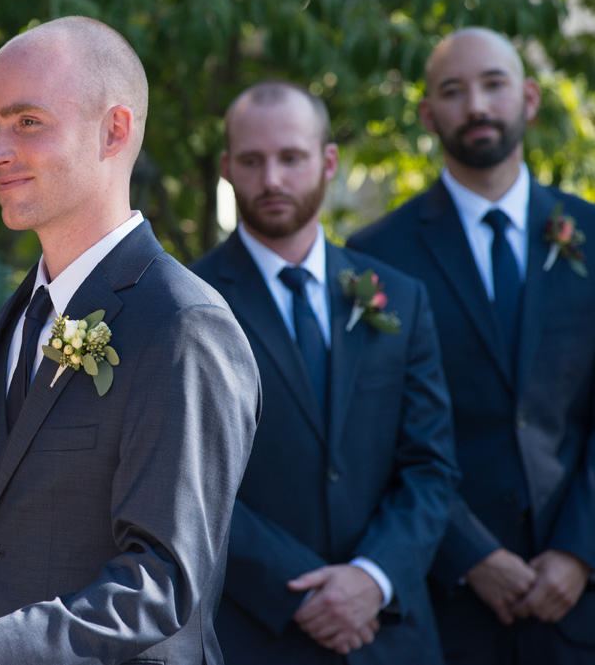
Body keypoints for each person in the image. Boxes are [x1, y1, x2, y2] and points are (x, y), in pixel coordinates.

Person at [0, 16, 260, 665]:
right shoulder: (12, 321)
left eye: (27, 122)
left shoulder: (182, 324)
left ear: (114, 130)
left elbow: (163, 584)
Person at [348, 27, 595, 664]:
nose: (477, 106)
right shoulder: (377, 257)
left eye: (493, 85)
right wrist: (471, 554)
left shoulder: (591, 234)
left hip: (581, 605)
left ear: (530, 98)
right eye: (454, 91)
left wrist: (580, 550)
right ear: (429, 114)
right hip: (448, 606)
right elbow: (376, 429)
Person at [189, 80, 458, 664]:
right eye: (253, 162)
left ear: (328, 161)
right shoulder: (186, 303)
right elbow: (188, 484)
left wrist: (374, 577)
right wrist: (300, 593)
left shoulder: (400, 297)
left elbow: (430, 466)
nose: (272, 180)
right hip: (256, 635)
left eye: (291, 158)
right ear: (227, 168)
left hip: (390, 633)